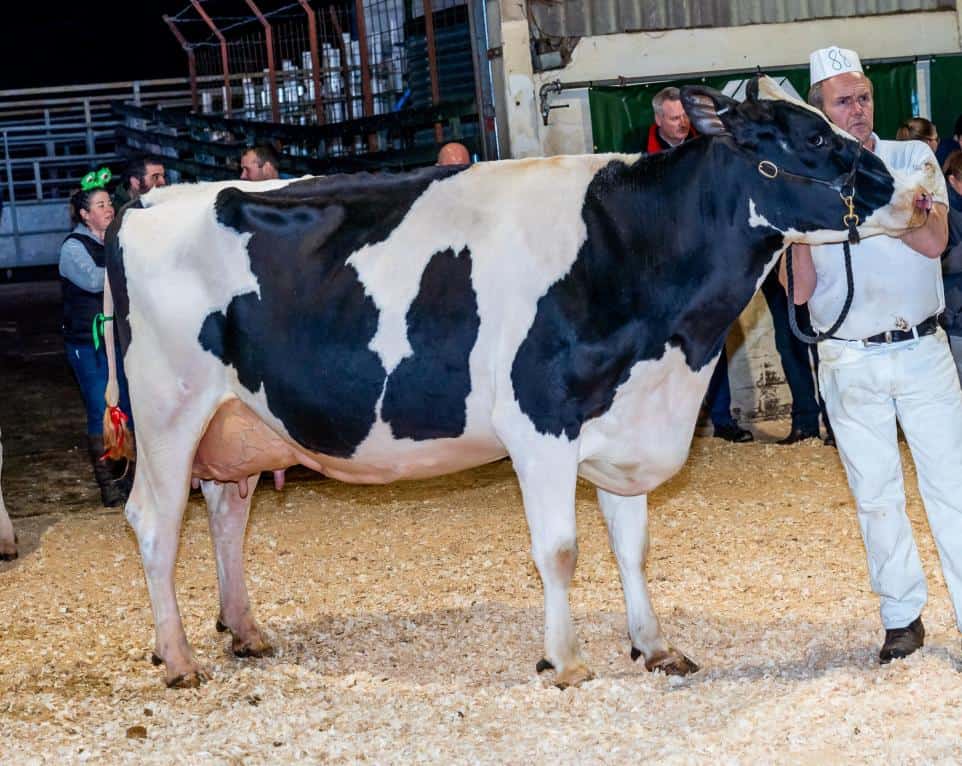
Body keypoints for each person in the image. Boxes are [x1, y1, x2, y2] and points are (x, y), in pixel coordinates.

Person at [784, 45, 962, 664]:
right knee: (875, 492)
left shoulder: (911, 157)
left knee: (952, 485)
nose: (857, 110)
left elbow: (935, 239)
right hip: (848, 357)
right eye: (843, 102)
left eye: (862, 97)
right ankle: (902, 618)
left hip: (921, 347)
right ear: (821, 111)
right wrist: (799, 228)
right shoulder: (806, 178)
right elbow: (801, 294)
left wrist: (889, 199)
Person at [645, 87, 751, 441]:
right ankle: (667, 428)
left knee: (712, 342)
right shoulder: (643, 158)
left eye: (686, 118)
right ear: (659, 119)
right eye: (674, 118)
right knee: (662, 354)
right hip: (664, 272)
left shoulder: (708, 152)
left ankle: (722, 419)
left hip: (707, 268)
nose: (682, 124)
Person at [60, 169, 133, 507]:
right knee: (98, 407)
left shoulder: (117, 240)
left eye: (109, 203)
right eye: (100, 205)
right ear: (85, 214)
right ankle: (108, 485)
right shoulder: (73, 248)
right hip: (86, 341)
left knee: (127, 406)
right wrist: (130, 263)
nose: (108, 209)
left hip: (115, 338)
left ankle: (130, 477)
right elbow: (92, 282)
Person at [646, 86, 694, 152]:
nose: (683, 124)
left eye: (686, 115)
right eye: (675, 118)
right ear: (658, 120)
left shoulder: (704, 138)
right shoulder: (641, 149)